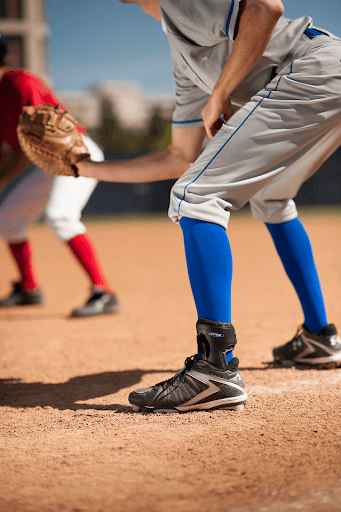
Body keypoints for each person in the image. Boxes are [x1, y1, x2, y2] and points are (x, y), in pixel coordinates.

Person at [75, 0, 341, 412]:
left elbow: (266, 7)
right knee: (270, 197)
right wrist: (82, 168)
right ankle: (318, 336)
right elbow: (178, 157)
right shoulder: (184, 57)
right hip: (327, 75)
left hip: (314, 69)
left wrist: (220, 92)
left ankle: (215, 368)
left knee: (196, 196)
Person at [0, 35, 119, 318]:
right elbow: (7, 150)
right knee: (7, 218)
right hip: (47, 162)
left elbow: (32, 143)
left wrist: (2, 179)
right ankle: (29, 289)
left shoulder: (19, 82)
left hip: (74, 152)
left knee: (60, 215)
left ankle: (104, 293)